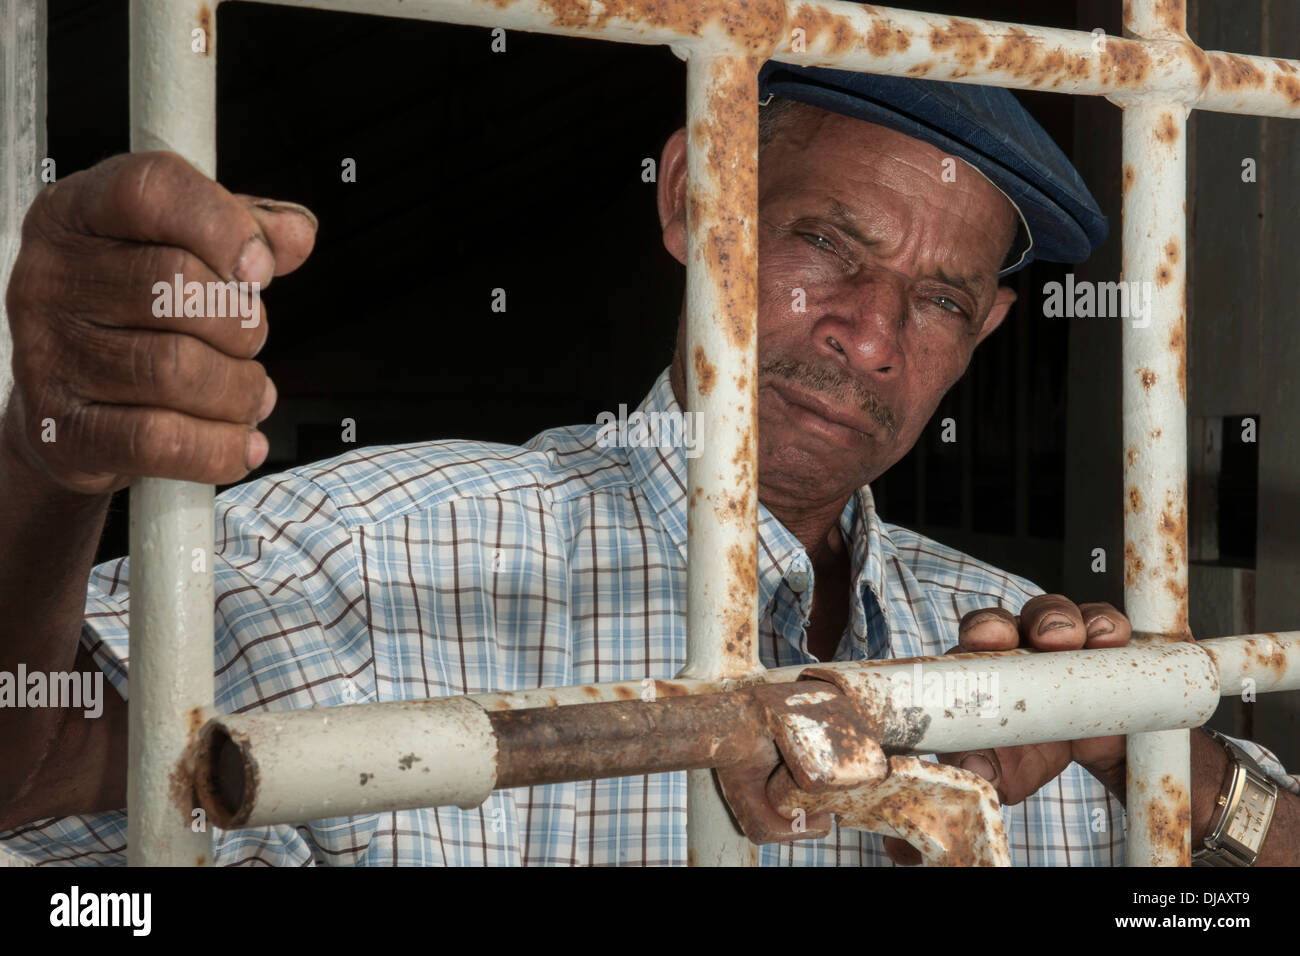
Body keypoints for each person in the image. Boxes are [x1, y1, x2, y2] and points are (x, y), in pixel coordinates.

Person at [0, 62, 1295, 866]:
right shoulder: (375, 551)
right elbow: (31, 770)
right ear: (689, 200)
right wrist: (48, 455)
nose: (871, 335)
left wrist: (1148, 760)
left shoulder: (1029, 664)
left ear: (989, 330)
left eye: (943, 299)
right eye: (825, 245)